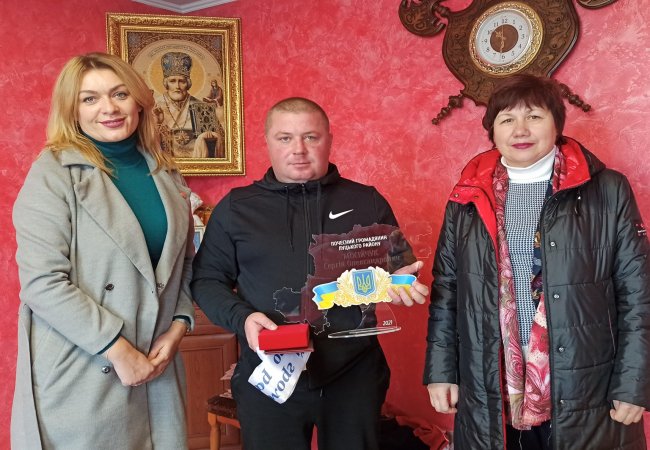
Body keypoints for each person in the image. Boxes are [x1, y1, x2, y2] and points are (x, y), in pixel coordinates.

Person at [424, 74, 650, 449]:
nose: (520, 130)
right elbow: (447, 291)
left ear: (557, 124)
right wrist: (441, 370)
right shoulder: (467, 197)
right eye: (507, 119)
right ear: (492, 131)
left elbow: (638, 293)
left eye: (534, 116)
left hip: (587, 385)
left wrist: (634, 382)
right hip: (492, 380)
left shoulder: (607, 190)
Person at [191, 97, 429, 450]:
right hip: (270, 373)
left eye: (311, 137)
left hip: (354, 375)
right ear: (268, 142)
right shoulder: (236, 208)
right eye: (285, 138)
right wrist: (243, 318)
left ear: (329, 140)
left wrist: (402, 282)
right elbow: (206, 280)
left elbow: (397, 269)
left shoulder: (366, 201)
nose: (298, 149)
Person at [11, 52, 195, 450]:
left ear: (139, 102)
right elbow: (42, 283)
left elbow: (182, 266)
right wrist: (118, 349)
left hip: (157, 364)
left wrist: (179, 325)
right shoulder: (53, 173)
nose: (108, 108)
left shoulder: (165, 170)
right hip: (86, 365)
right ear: (72, 110)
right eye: (89, 99)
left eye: (119, 94)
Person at [153, 51, 224, 158]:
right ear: (166, 83)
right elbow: (144, 144)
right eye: (172, 81)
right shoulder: (155, 106)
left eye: (182, 81)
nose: (177, 86)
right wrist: (157, 125)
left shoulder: (203, 107)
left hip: (198, 166)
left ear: (188, 83)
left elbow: (222, 144)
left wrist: (210, 138)